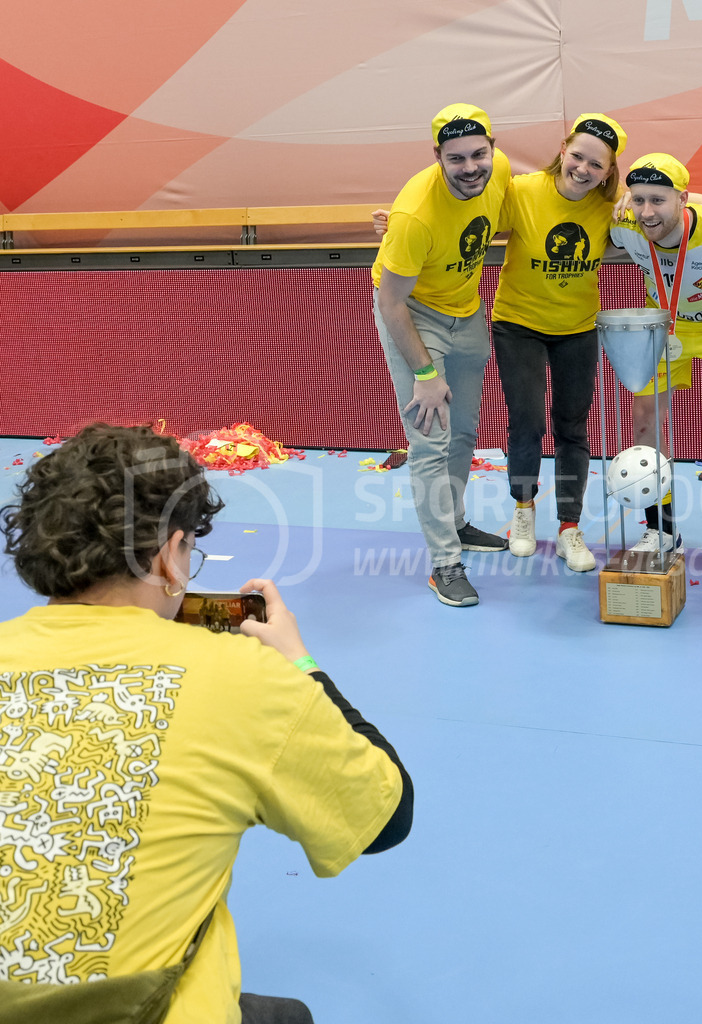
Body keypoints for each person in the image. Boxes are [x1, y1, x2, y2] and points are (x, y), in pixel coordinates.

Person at [0, 424, 412, 1022]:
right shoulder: (241, 676)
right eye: (191, 549)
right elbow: (387, 819)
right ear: (170, 554)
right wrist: (299, 664)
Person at [371, 103, 511, 608]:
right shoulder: (414, 215)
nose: (471, 167)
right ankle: (444, 563)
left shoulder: (500, 174)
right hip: (414, 315)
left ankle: (456, 522)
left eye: (479, 154)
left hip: (468, 312)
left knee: (465, 430)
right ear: (438, 157)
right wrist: (425, 372)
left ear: (493, 148)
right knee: (430, 440)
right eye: (456, 159)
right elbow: (390, 303)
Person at [609, 153, 702, 579]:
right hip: (661, 327)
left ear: (682, 197)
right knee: (644, 425)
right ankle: (662, 529)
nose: (646, 212)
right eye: (637, 199)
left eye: (657, 200)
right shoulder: (624, 225)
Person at [490, 113, 627, 573]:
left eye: (597, 164)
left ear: (609, 172)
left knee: (573, 426)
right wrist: (399, 225)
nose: (584, 169)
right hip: (518, 325)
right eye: (578, 156)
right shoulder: (523, 192)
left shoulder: (608, 210)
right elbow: (465, 219)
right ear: (563, 149)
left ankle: (570, 526)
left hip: (577, 329)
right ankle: (523, 512)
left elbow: (672, 210)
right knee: (526, 420)